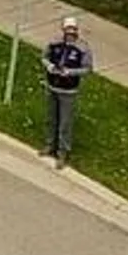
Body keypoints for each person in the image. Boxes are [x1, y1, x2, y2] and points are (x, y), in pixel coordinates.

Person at [41, 16, 92, 168]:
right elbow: (44, 57)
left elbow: (87, 69)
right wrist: (49, 66)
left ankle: (63, 153)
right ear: (63, 30)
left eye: (73, 30)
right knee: (51, 118)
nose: (70, 32)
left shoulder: (83, 48)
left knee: (65, 122)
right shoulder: (55, 43)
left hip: (68, 90)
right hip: (52, 86)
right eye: (67, 29)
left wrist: (70, 72)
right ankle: (50, 145)